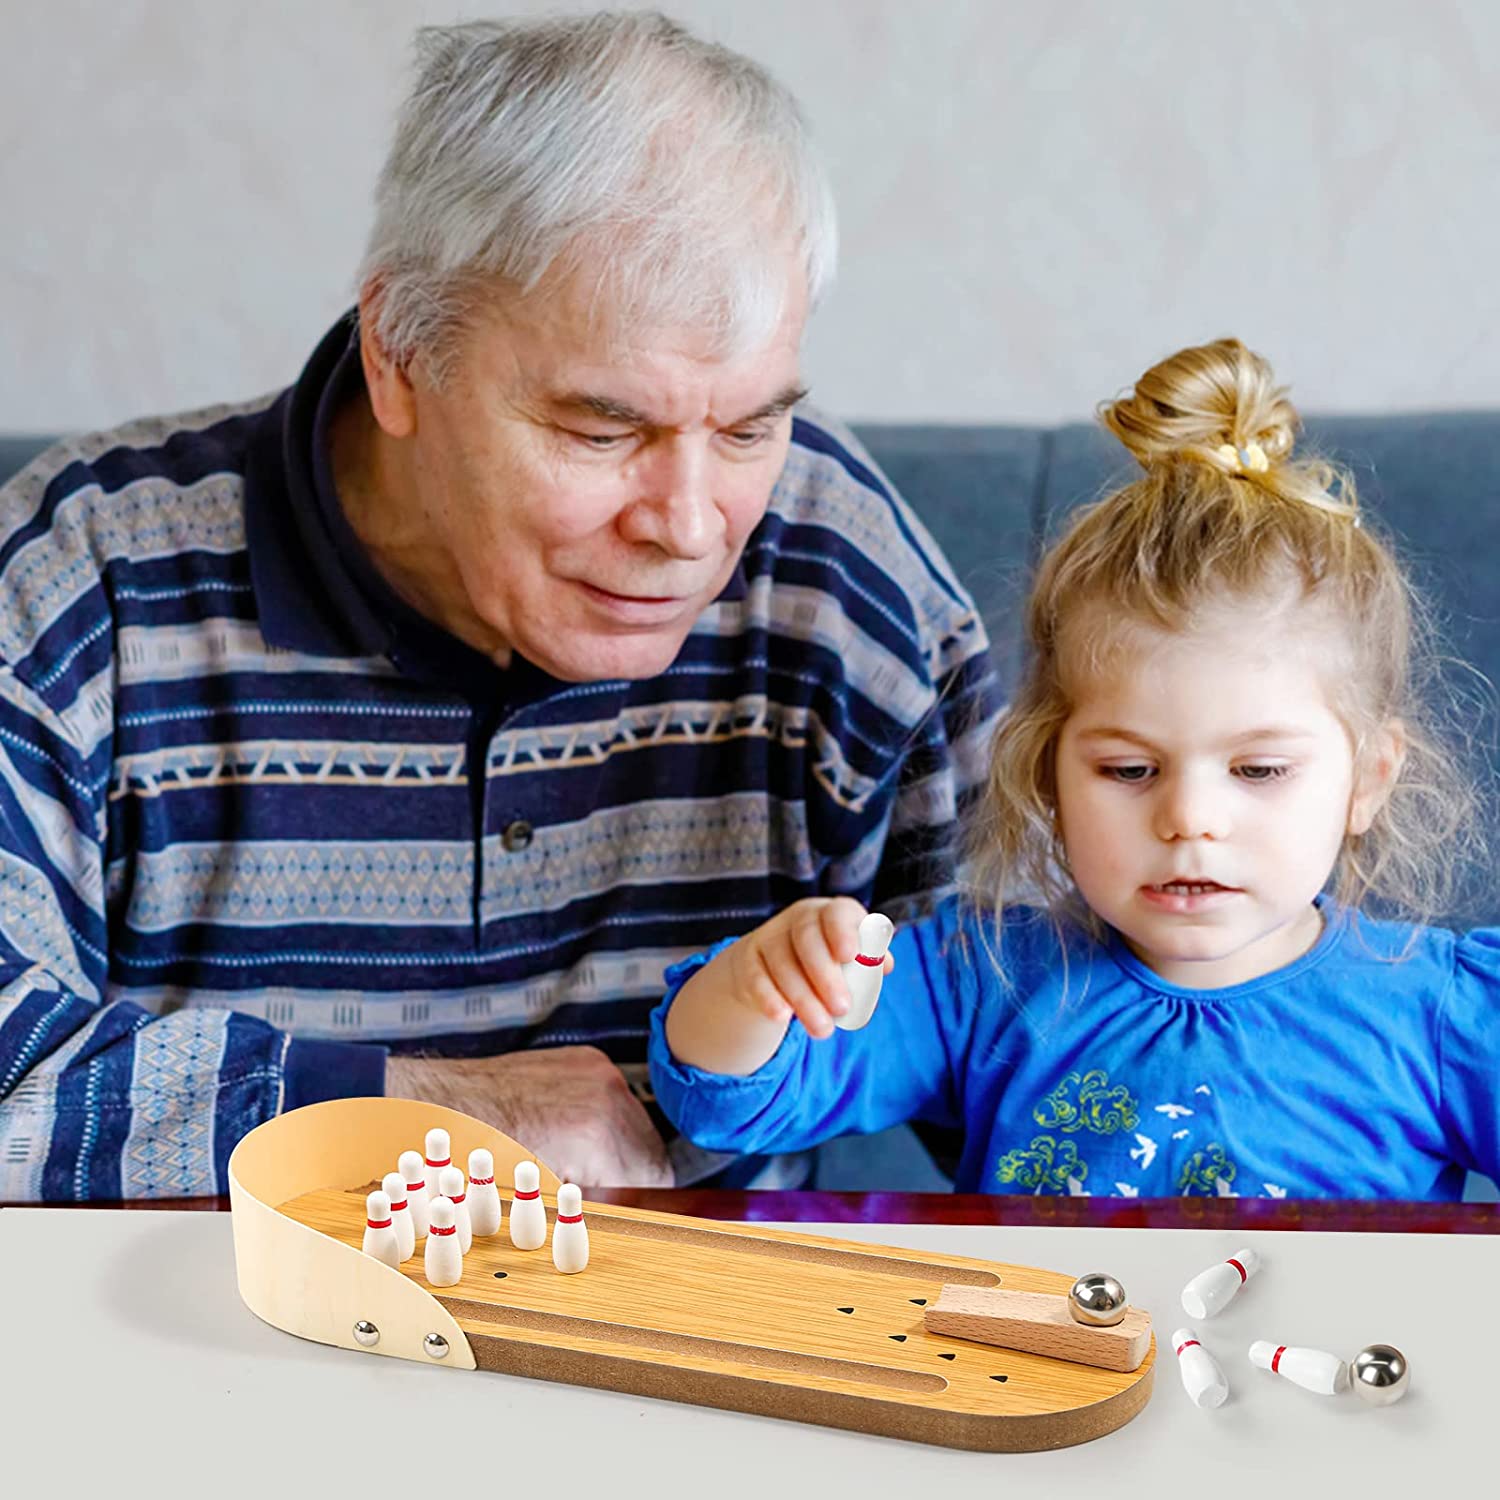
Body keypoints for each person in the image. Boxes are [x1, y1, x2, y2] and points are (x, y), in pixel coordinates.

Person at [0, 14, 1000, 1200]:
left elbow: (1058, 1028)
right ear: (401, 357)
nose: (689, 526)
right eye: (601, 428)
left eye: (747, 428)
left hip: (710, 1364)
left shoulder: (839, 581)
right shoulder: (83, 587)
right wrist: (432, 1112)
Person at [650, 337, 1500, 1201]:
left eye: (1260, 771)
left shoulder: (1441, 1013)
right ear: (1048, 774)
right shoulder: (976, 977)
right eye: (1130, 770)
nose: (1191, 818)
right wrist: (756, 986)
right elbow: (727, 1104)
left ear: (1369, 779)